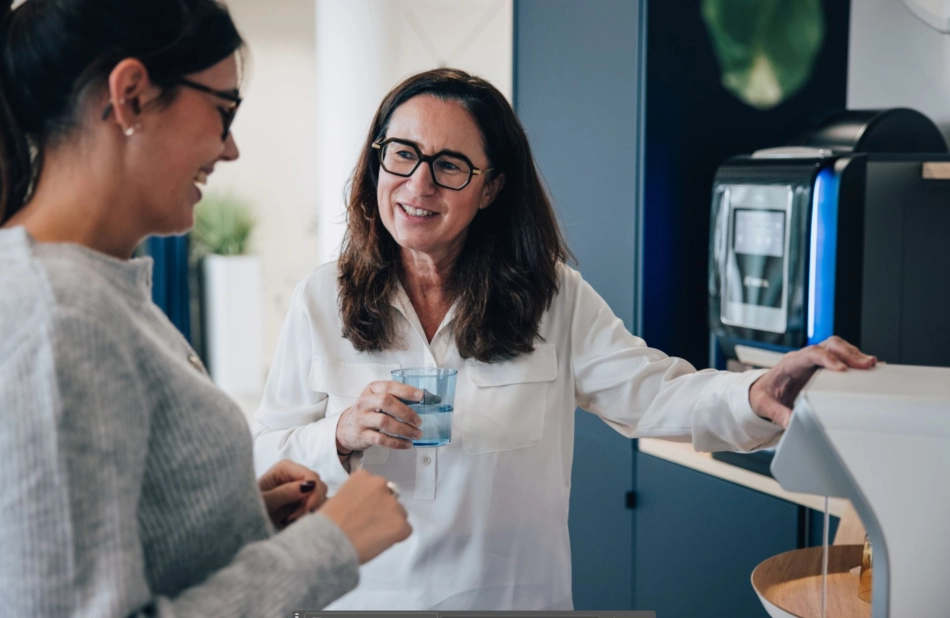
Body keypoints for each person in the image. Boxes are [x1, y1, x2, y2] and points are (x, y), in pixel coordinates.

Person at [251, 68, 876, 610]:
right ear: (377, 159)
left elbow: (656, 394)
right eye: (403, 154)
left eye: (450, 165)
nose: (419, 184)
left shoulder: (551, 296)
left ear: (491, 187)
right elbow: (263, 458)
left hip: (512, 604)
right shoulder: (320, 298)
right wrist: (338, 434)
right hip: (361, 603)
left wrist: (757, 392)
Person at [0, 1, 411, 616]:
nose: (231, 149)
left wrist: (231, 517)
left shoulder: (103, 293)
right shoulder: (60, 315)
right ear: (131, 95)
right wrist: (331, 546)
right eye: (224, 111)